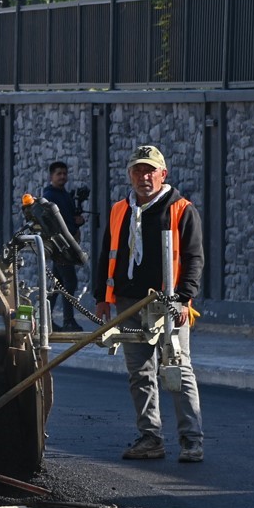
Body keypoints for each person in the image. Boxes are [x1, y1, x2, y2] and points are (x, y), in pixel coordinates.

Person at [95, 145, 205, 464]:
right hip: (129, 302)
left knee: (177, 369)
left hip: (168, 304)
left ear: (162, 174)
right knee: (140, 373)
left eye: (150, 170)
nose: (144, 177)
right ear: (129, 174)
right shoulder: (121, 210)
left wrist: (184, 298)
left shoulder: (181, 209)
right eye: (138, 171)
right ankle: (150, 437)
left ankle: (191, 440)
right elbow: (108, 254)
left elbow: (194, 258)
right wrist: (103, 298)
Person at [42, 161, 87, 331]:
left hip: (66, 243)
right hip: (61, 245)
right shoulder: (50, 196)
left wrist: (78, 222)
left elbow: (69, 218)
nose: (62, 177)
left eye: (64, 174)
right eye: (59, 174)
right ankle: (68, 320)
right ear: (51, 176)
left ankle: (46, 321)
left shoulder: (64, 194)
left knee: (57, 285)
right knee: (70, 282)